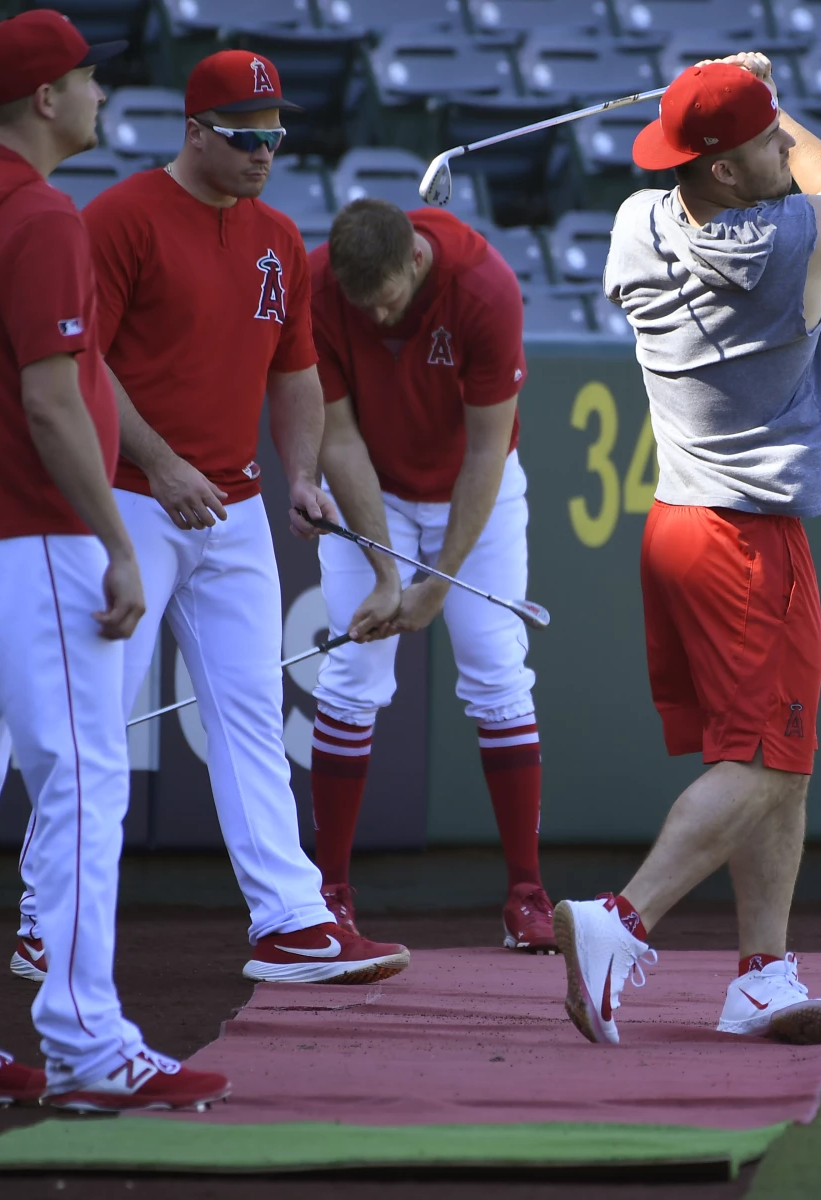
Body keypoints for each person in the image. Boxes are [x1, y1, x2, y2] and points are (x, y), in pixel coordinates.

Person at [13, 48, 410, 986]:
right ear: (194, 131)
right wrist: (156, 458)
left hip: (232, 508)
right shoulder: (120, 217)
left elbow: (297, 371)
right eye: (245, 135)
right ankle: (44, 917)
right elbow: (79, 364)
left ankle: (289, 920)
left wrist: (304, 475)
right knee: (94, 725)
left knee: (249, 714)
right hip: (124, 502)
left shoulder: (277, 235)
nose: (264, 151)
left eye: (276, 133)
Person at [554, 55, 821, 1044]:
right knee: (771, 765)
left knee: (773, 753)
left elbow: (698, 172)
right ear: (728, 172)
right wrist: (772, 96)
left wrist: (729, 108)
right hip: (745, 539)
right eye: (765, 140)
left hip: (681, 526)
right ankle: (619, 921)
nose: (784, 144)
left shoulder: (637, 223)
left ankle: (763, 975)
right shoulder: (784, 246)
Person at [0, 8, 228, 1111]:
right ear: (44, 100)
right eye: (88, 79)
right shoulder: (37, 214)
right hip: (36, 533)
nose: (99, 95)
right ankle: (87, 1043)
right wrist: (117, 539)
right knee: (82, 786)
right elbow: (51, 404)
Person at [307, 198, 556, 952]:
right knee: (351, 677)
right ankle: (331, 893)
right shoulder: (320, 286)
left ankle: (525, 892)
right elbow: (337, 438)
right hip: (372, 486)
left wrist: (436, 584)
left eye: (385, 298)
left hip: (470, 490)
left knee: (496, 672)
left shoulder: (485, 286)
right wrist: (387, 572)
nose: (377, 318)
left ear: (414, 261)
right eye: (363, 304)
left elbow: (487, 452)